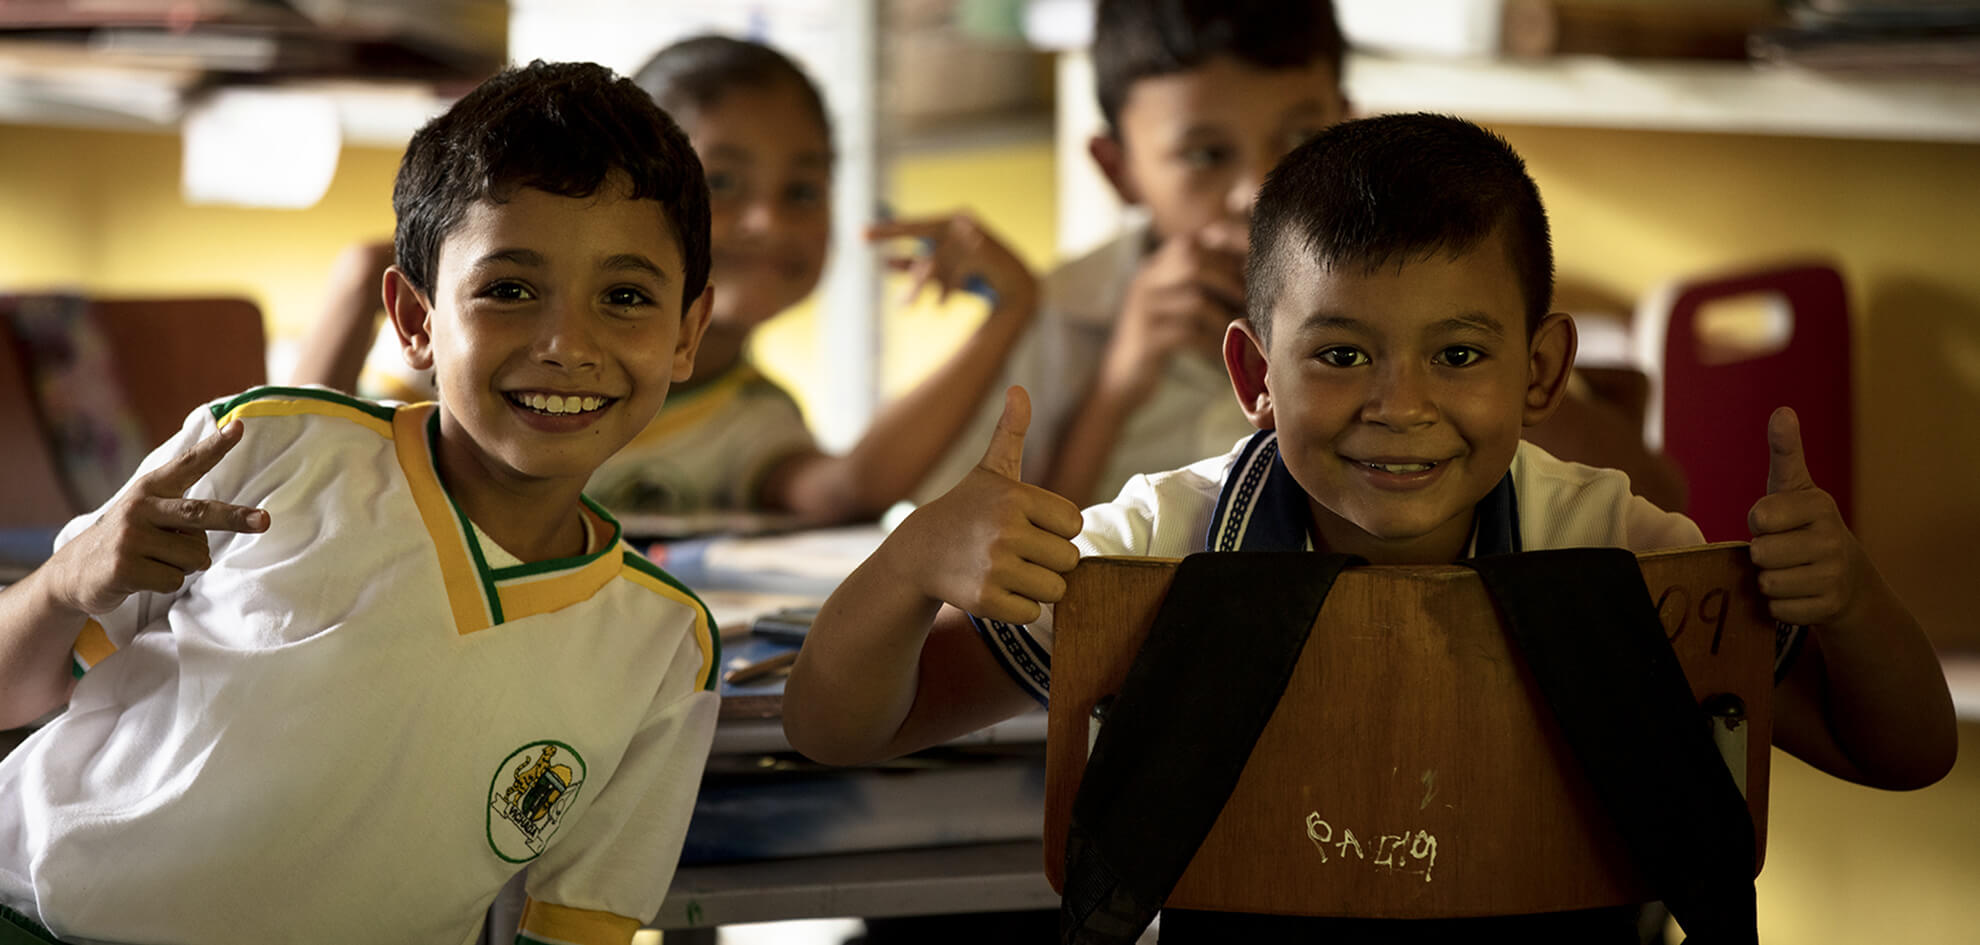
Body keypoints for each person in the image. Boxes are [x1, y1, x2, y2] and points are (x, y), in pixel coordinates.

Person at [782, 114, 1957, 941]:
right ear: (1254, 373)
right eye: (1340, 355)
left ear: (1543, 371)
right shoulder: (1165, 546)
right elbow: (841, 728)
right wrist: (908, 567)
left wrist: (1850, 602)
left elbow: (1901, 755)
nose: (1401, 407)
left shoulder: (1620, 554)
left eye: (1460, 355)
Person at [0, 61, 724, 944]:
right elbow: (12, 693)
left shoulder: (662, 648)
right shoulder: (266, 452)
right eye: (508, 289)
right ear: (415, 319)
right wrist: (64, 582)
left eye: (624, 297)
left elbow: (576, 927)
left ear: (686, 332)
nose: (566, 344)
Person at [295, 35, 1041, 526]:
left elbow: (848, 492)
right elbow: (298, 462)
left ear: (689, 329)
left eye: (803, 192)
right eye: (724, 181)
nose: (767, 223)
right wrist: (364, 278)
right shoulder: (474, 353)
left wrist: (1009, 312)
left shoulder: (748, 418)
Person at [909, 0, 1351, 510]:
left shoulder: (1402, 301)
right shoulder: (1060, 314)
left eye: (1301, 137)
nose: (1258, 192)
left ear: (1348, 126)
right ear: (1118, 171)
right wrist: (1115, 388)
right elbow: (984, 558)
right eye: (1205, 155)